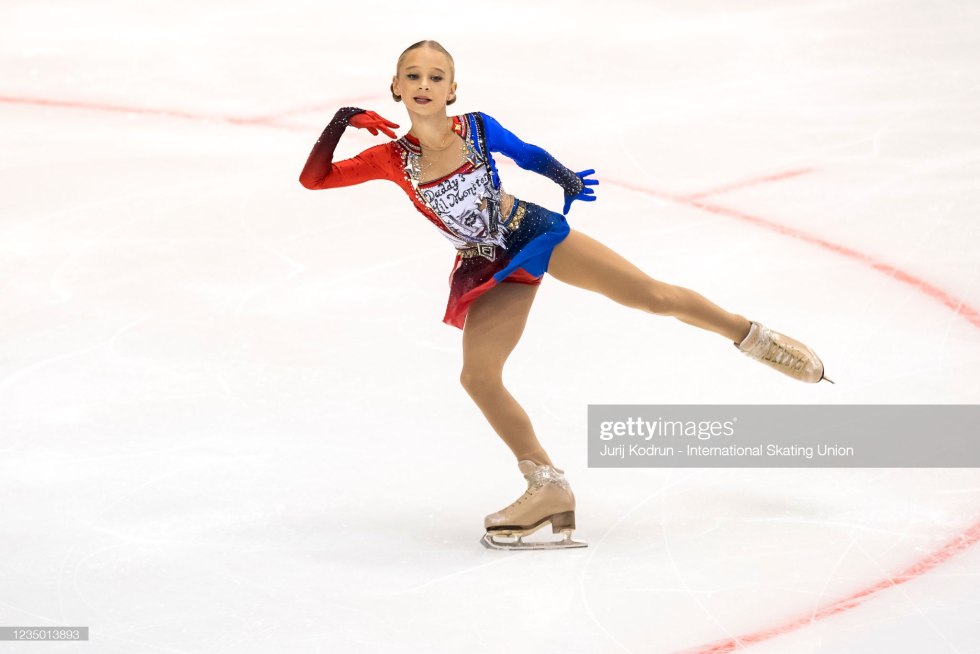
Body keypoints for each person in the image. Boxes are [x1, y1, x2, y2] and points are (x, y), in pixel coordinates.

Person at [299, 40, 832, 550]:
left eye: (435, 77)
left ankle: (753, 337)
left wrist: (566, 178)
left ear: (452, 88)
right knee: (478, 376)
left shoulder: (478, 128)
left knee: (648, 295)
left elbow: (525, 154)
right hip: (489, 266)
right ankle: (547, 484)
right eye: (412, 75)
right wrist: (342, 118)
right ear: (395, 86)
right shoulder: (391, 158)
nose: (424, 84)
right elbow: (314, 181)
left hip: (531, 233)